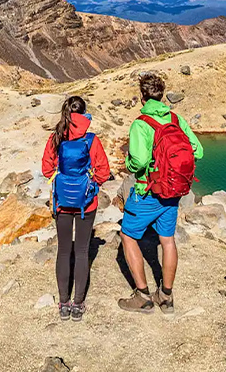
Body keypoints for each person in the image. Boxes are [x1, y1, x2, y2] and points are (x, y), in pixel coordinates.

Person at [118, 73, 203, 314]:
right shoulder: (176, 119)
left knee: (128, 235)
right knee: (167, 240)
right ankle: (166, 297)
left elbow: (140, 161)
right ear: (162, 94)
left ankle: (143, 296)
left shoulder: (141, 123)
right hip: (174, 192)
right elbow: (198, 150)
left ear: (142, 96)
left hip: (148, 191)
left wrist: (131, 164)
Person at [42, 96, 110, 322]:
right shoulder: (92, 140)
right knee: (82, 251)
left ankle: (63, 303)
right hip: (86, 204)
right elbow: (103, 170)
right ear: (85, 113)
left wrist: (60, 179)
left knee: (63, 250)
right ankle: (78, 304)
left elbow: (46, 168)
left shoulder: (56, 137)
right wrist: (90, 186)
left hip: (62, 202)